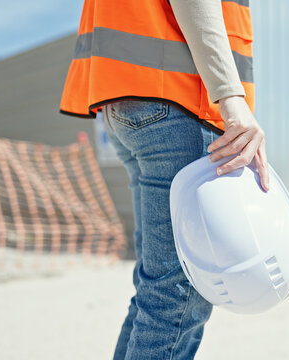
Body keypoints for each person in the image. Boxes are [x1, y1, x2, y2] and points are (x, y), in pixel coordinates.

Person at [59, 0, 269, 358]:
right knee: (179, 294)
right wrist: (231, 99)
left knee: (156, 291)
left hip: (133, 103)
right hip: (179, 104)